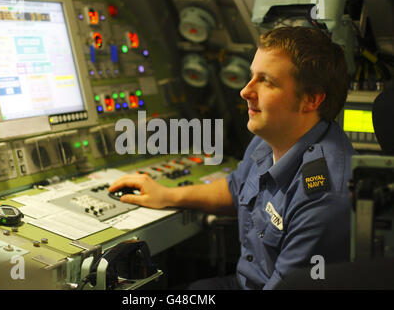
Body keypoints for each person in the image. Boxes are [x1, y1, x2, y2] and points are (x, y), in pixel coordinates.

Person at [108, 26, 356, 290]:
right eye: (251, 77)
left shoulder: (323, 196)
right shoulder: (271, 137)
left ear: (311, 99)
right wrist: (168, 196)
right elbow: (236, 188)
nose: (245, 91)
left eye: (267, 81)